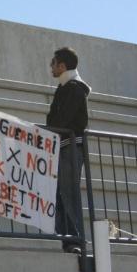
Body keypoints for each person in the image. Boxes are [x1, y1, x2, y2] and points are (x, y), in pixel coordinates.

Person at [46, 47, 90, 254]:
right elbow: (53, 119)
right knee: (59, 195)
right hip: (63, 146)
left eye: (53, 63)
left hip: (70, 147)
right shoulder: (66, 87)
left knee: (68, 194)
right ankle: (68, 240)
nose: (51, 67)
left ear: (62, 66)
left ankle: (75, 240)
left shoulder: (74, 88)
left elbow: (60, 120)